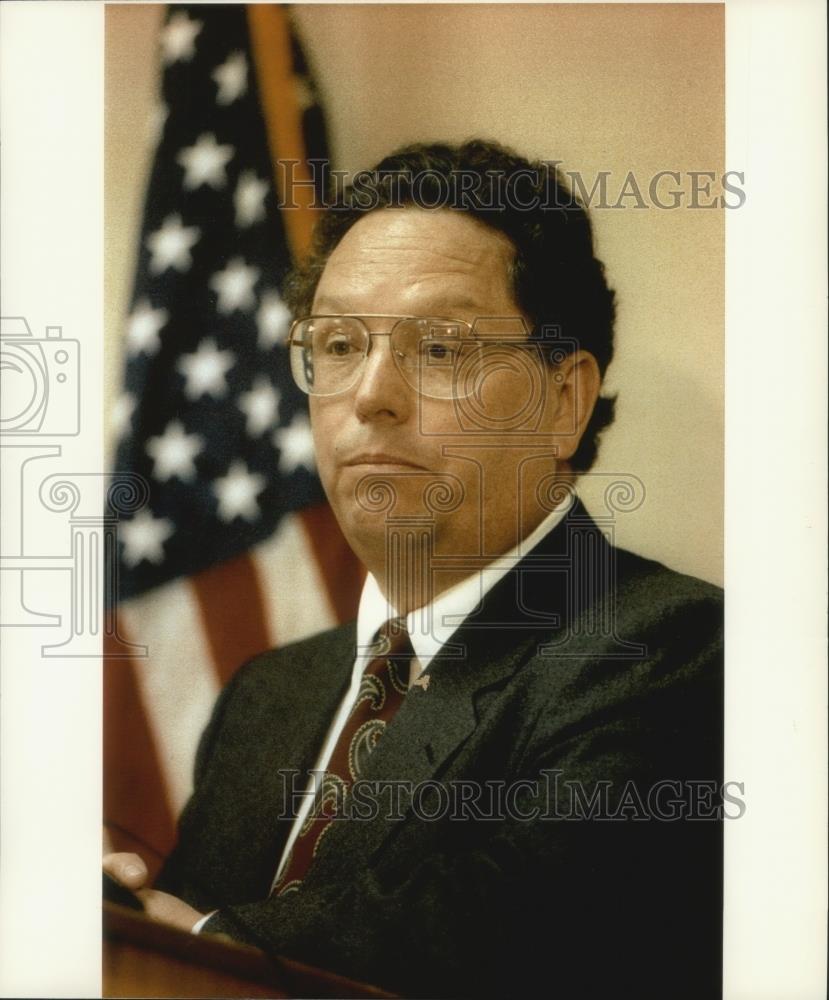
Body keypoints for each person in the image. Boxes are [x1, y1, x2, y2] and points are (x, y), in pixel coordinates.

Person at [104, 140, 723, 998]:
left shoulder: (675, 651)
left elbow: (514, 927)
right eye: (338, 344)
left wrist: (195, 934)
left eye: (439, 348)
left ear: (565, 401)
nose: (370, 395)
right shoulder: (268, 693)